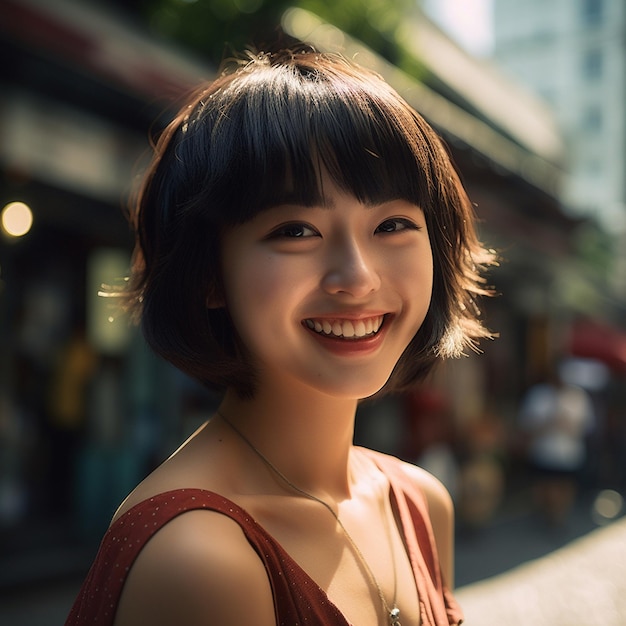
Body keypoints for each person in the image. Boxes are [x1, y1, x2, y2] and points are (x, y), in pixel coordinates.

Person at [66, 46, 496, 626]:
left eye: (392, 224)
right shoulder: (201, 557)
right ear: (210, 274)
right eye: (296, 231)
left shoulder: (419, 503)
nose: (358, 278)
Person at [518, 365, 596, 526]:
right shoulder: (538, 395)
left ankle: (558, 518)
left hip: (569, 453)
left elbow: (587, 426)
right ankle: (545, 515)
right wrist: (548, 424)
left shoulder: (578, 396)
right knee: (545, 486)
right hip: (543, 452)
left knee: (564, 486)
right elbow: (526, 425)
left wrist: (568, 425)